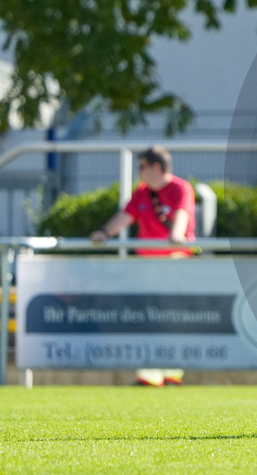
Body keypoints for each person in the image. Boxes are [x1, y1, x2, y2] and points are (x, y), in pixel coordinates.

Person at [89, 145, 195, 387]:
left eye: (142, 167)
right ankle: (150, 373)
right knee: (148, 317)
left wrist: (177, 234)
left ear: (156, 167)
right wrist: (105, 232)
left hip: (174, 260)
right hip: (148, 263)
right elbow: (125, 216)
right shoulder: (142, 193)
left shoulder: (180, 187)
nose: (139, 172)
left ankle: (172, 371)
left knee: (171, 317)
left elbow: (182, 214)